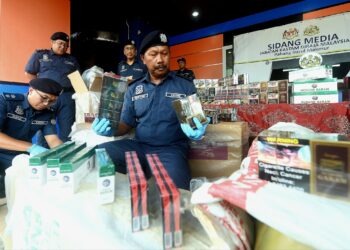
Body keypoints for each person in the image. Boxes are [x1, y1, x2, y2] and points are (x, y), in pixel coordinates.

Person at [92, 30, 209, 190]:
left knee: (176, 193)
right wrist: (110, 129)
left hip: (171, 150)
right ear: (143, 59)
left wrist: (198, 130)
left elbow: (194, 121)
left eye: (164, 54)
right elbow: (126, 124)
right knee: (101, 153)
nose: (160, 59)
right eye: (153, 54)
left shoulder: (184, 86)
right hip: (140, 147)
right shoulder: (134, 89)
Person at [0, 78, 63, 198]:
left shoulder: (47, 113)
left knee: (34, 187)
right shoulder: (6, 101)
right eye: (44, 98)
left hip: (19, 156)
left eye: (52, 101)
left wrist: (64, 153)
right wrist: (32, 147)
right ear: (31, 90)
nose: (46, 104)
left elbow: (53, 140)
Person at [24, 31, 80, 145]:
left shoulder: (72, 60)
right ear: (52, 42)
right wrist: (39, 89)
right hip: (46, 98)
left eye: (65, 45)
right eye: (60, 43)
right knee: (44, 125)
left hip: (66, 97)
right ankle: (42, 154)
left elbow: (77, 80)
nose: (62, 47)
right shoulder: (40, 55)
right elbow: (29, 73)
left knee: (67, 129)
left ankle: (66, 156)